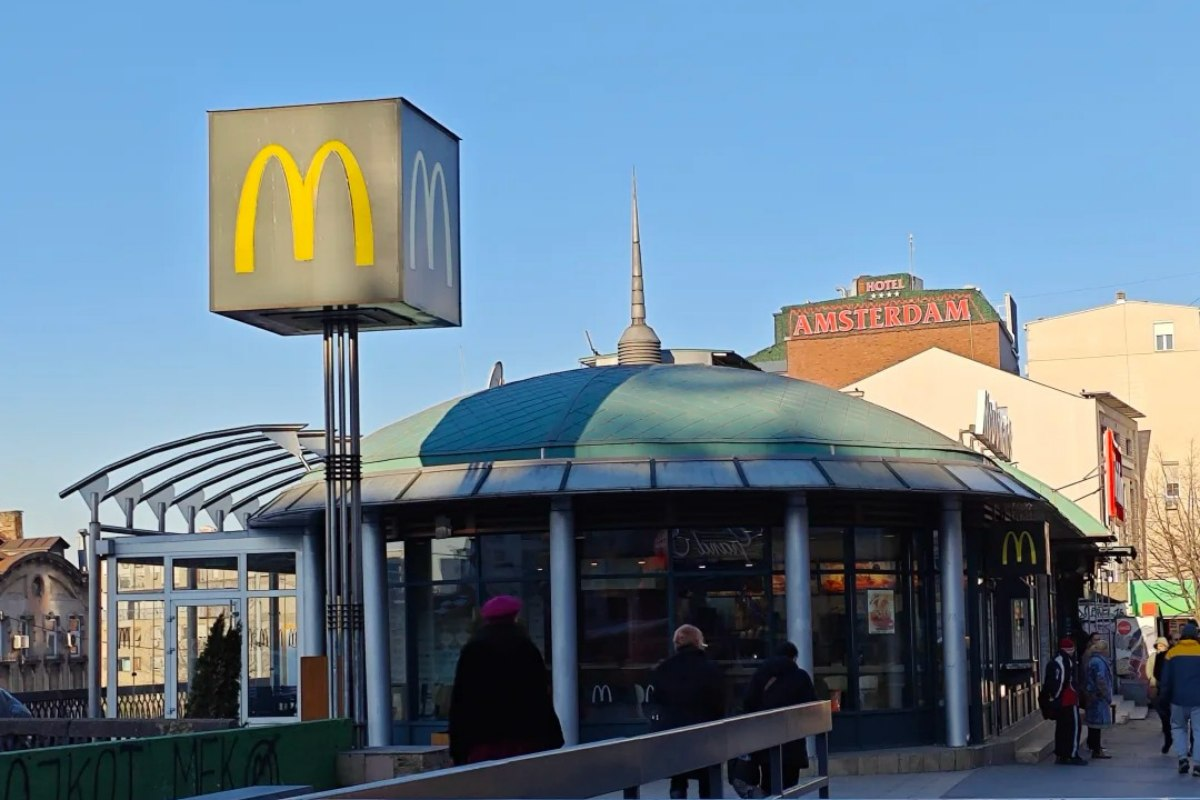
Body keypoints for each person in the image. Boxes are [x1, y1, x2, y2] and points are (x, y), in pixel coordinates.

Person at [447, 595, 564, 766]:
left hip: (483, 740)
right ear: (515, 617)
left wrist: (458, 748)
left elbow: (462, 701)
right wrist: (552, 735)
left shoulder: (474, 649)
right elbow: (539, 696)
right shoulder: (526, 648)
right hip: (526, 738)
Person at [648, 624, 725, 799]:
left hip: (673, 731)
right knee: (707, 776)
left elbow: (657, 700)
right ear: (698, 642)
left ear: (677, 644)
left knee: (678, 774)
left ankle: (677, 792)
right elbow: (719, 702)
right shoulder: (710, 668)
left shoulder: (664, 669)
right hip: (704, 732)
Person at [737, 642, 817, 797]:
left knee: (769, 782)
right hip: (793, 741)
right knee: (790, 786)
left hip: (766, 740)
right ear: (793, 658)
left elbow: (748, 702)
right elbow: (811, 707)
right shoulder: (800, 677)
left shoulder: (761, 674)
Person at [1161, 622, 1200, 776]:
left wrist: (1164, 697)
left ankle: (1183, 758)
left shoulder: (1172, 653)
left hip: (1177, 699)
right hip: (1198, 700)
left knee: (1178, 728)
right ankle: (1197, 765)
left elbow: (1166, 679)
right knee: (1199, 731)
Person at [1044, 636, 1086, 765]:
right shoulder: (1066, 662)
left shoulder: (1055, 660)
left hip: (1061, 700)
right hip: (1068, 699)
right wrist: (1060, 695)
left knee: (1062, 728)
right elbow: (1062, 681)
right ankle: (1072, 754)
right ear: (1070, 649)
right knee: (1073, 728)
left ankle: (1061, 753)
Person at [1083, 638, 1113, 759]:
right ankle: (1096, 749)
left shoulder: (1092, 660)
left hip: (1092, 694)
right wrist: (1106, 694)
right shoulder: (1099, 662)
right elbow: (1101, 679)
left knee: (1093, 723)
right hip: (1098, 696)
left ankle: (1093, 745)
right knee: (1097, 724)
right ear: (1104, 650)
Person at [1153, 639, 1173, 754]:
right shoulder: (1161, 656)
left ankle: (1168, 739)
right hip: (1168, 690)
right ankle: (1169, 739)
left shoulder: (1161, 656)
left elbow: (1156, 673)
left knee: (1167, 717)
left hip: (1166, 690)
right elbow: (1155, 672)